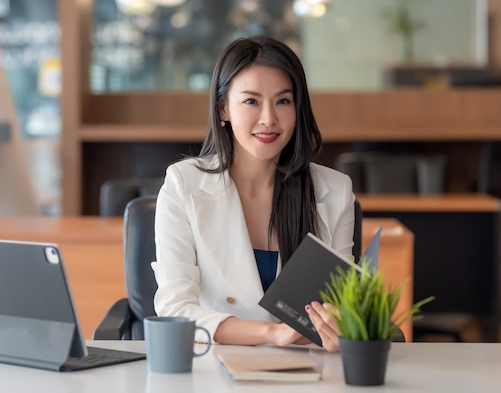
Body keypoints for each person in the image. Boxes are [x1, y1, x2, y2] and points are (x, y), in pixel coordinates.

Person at [152, 36, 355, 352]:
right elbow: (174, 307)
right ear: (224, 108)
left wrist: (342, 328)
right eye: (251, 101)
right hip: (214, 369)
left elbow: (343, 304)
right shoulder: (183, 184)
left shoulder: (336, 191)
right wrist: (272, 333)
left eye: (283, 101)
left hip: (305, 371)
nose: (269, 119)